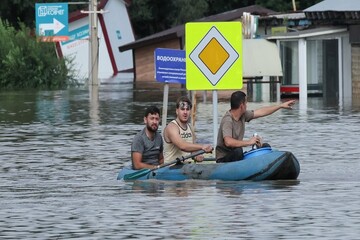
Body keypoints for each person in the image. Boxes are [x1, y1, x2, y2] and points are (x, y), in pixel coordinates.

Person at [216, 91, 296, 163]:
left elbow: (261, 112)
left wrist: (280, 106)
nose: (247, 106)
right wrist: (249, 142)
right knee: (238, 151)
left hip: (236, 156)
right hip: (224, 159)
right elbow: (228, 142)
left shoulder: (242, 116)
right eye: (246, 103)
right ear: (241, 106)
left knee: (265, 146)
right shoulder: (228, 120)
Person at [163, 96, 213, 163]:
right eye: (182, 109)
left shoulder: (190, 127)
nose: (185, 112)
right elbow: (182, 146)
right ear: (177, 111)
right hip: (171, 168)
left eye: (187, 109)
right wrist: (202, 146)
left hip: (187, 166)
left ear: (190, 111)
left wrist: (196, 156)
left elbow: (192, 150)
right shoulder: (172, 127)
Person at [131, 106, 164, 170]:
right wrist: (154, 168)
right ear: (145, 120)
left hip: (157, 170)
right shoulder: (139, 138)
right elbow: (137, 165)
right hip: (144, 172)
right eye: (152, 118)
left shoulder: (159, 137)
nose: (154, 122)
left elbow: (161, 159)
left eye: (157, 119)